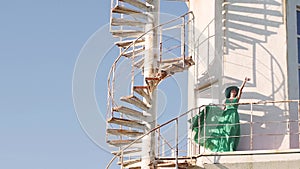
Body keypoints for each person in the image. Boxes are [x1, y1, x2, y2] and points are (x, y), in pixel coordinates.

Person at [192, 77, 250, 152]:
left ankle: (230, 147)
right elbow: (222, 109)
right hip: (226, 115)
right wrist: (213, 110)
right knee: (226, 130)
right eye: (233, 91)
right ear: (230, 92)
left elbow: (241, 91)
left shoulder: (237, 99)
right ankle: (224, 146)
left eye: (235, 91)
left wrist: (244, 82)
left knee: (232, 130)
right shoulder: (226, 100)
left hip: (233, 114)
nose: (234, 92)